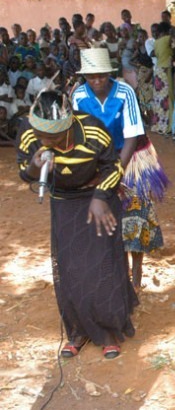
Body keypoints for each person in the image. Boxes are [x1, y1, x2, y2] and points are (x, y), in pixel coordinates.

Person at [17, 89, 138, 359]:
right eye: (42, 136)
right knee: (71, 268)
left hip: (98, 198)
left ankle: (108, 331)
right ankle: (78, 330)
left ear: (69, 125)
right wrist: (36, 167)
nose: (46, 142)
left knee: (103, 264)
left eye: (54, 137)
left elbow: (113, 168)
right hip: (64, 201)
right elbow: (25, 172)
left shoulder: (93, 131)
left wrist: (100, 197)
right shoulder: (28, 131)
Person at [73, 48, 167, 290]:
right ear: (85, 77)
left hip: (131, 156)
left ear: (110, 73)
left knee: (134, 211)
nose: (96, 81)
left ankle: (136, 270)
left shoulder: (125, 91)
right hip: (99, 159)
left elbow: (132, 136)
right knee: (103, 213)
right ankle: (115, 271)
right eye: (91, 77)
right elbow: (82, 137)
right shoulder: (79, 96)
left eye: (101, 76)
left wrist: (116, 171)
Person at [151, 22, 175, 136]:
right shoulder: (168, 39)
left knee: (159, 99)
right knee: (168, 98)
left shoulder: (156, 42)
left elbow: (155, 54)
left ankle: (159, 125)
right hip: (166, 71)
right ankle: (168, 126)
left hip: (158, 71)